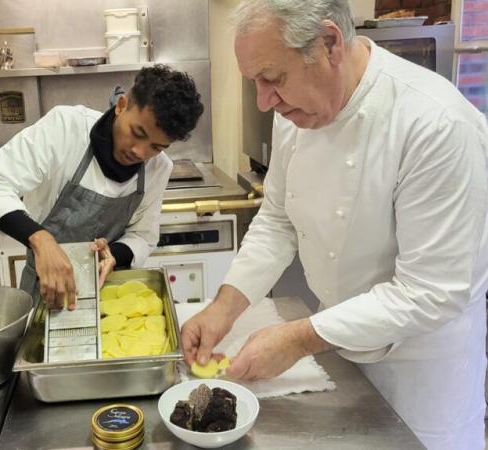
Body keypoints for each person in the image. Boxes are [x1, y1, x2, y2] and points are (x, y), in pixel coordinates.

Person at [181, 1, 488, 448]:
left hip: (422, 373)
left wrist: (298, 338)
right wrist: (222, 309)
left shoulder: (435, 124)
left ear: (329, 44)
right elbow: (278, 220)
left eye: (273, 78)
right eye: (255, 83)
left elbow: (430, 291)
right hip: (341, 348)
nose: (264, 101)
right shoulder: (299, 114)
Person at [0, 65, 204, 310]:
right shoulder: (66, 128)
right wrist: (41, 240)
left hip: (109, 296)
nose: (140, 152)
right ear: (122, 105)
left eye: (156, 147)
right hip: (45, 291)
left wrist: (112, 254)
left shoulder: (158, 168)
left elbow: (142, 236)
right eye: (137, 133)